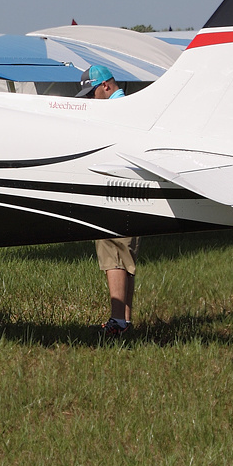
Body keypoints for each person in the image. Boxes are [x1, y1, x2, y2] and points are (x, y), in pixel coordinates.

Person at [78, 65, 136, 337]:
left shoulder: (116, 111)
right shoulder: (131, 106)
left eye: (92, 93)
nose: (90, 100)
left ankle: (116, 323)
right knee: (126, 259)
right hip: (135, 196)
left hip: (116, 194)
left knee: (112, 256)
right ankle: (123, 322)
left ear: (105, 86)